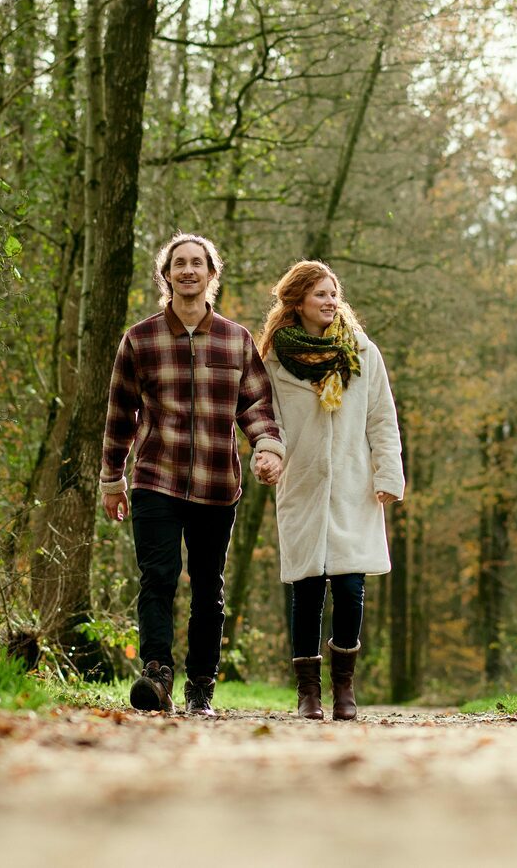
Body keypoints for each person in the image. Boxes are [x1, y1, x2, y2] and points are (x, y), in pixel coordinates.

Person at [100, 232, 285, 716]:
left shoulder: (236, 339)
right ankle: (157, 673)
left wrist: (267, 447)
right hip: (155, 477)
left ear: (211, 274)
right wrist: (111, 478)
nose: (187, 271)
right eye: (178, 263)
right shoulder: (139, 340)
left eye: (196, 263)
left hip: (216, 483)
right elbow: (121, 415)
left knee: (208, 586)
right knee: (157, 577)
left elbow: (257, 404)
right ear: (166, 276)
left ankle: (201, 684)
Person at [257, 260, 404, 721]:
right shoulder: (275, 360)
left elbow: (382, 417)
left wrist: (387, 475)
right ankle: (308, 694)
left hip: (353, 484)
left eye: (333, 293)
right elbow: (270, 421)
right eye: (319, 294)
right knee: (306, 589)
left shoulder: (361, 352)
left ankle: (344, 688)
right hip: (302, 482)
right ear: (297, 301)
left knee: (350, 586)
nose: (329, 301)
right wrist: (270, 454)